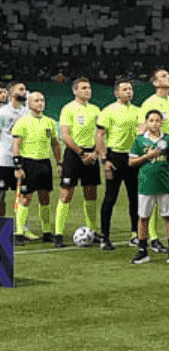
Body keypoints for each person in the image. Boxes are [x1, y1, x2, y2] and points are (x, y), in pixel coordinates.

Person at [55, 76, 103, 247]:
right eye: (83, 88)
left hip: (92, 154)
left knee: (91, 194)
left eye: (88, 87)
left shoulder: (96, 110)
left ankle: (92, 230)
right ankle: (58, 234)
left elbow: (101, 135)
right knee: (66, 193)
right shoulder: (68, 109)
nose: (87, 90)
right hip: (74, 155)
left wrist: (96, 152)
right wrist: (81, 153)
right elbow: (65, 135)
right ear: (75, 90)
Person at [96, 80, 142, 252]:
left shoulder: (139, 111)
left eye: (130, 89)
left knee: (135, 198)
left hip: (134, 157)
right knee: (110, 197)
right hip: (115, 157)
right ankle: (105, 236)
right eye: (124, 89)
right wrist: (104, 160)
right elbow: (99, 136)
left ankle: (135, 234)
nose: (129, 92)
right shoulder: (109, 110)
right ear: (116, 92)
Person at [128, 109, 169, 264]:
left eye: (157, 120)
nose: (154, 123)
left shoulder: (168, 139)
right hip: (145, 184)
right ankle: (143, 250)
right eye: (151, 120)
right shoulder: (140, 140)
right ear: (146, 122)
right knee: (143, 217)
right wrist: (147, 156)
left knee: (168, 217)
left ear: (162, 122)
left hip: (164, 185)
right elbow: (131, 162)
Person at [11, 91, 58, 245]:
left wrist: (60, 163)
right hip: (28, 163)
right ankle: (19, 233)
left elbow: (55, 144)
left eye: (42, 100)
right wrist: (18, 166)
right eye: (36, 100)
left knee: (45, 197)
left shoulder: (50, 122)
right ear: (29, 104)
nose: (40, 103)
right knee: (25, 198)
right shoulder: (22, 122)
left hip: (44, 163)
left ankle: (46, 232)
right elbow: (16, 145)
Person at [0, 82, 26, 235]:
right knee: (1, 195)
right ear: (11, 92)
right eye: (21, 89)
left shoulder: (26, 112)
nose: (24, 92)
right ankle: (2, 228)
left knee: (24, 196)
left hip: (22, 159)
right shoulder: (2, 112)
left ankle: (22, 229)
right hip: (3, 158)